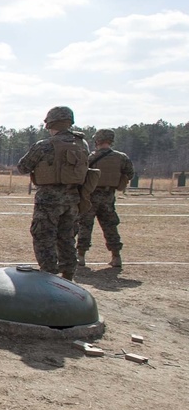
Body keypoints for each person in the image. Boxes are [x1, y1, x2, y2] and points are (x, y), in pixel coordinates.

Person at [17, 106, 90, 281]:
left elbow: (23, 167)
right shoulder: (82, 144)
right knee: (67, 238)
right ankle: (68, 277)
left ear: (50, 123)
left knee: (44, 237)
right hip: (73, 199)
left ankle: (49, 276)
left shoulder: (45, 145)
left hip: (48, 201)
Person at [77, 128, 134, 268]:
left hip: (90, 196)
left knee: (85, 225)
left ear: (97, 140)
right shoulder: (122, 157)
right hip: (109, 196)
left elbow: (81, 175)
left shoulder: (90, 157)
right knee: (110, 226)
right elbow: (129, 174)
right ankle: (116, 256)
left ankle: (81, 256)